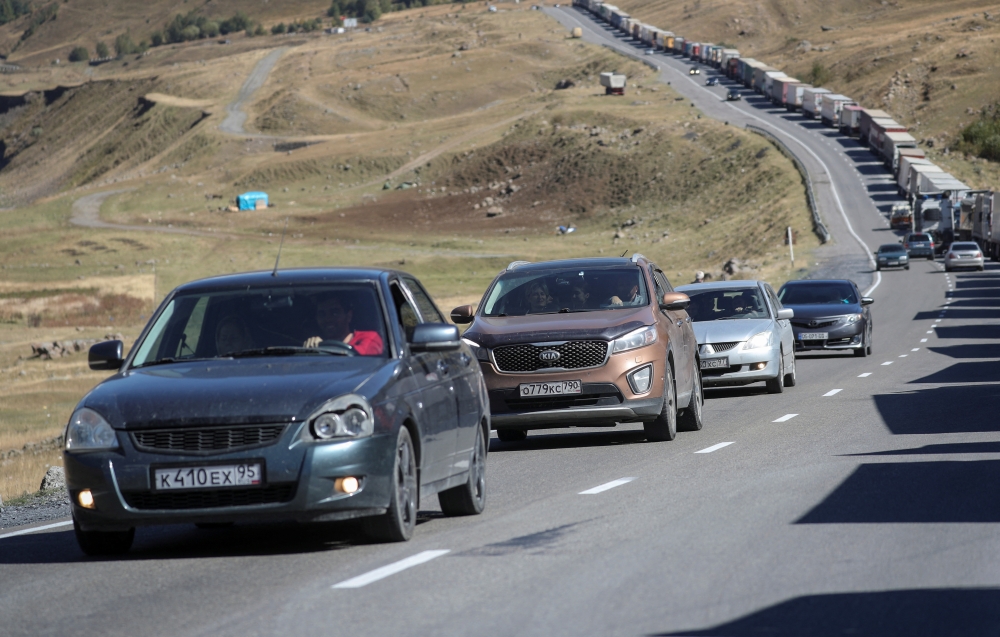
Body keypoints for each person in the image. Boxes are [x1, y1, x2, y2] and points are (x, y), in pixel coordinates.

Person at [303, 294, 384, 356]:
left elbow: (360, 359)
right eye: (322, 314)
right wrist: (311, 349)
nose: (328, 319)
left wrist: (323, 349)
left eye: (335, 313)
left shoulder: (369, 338)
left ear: (349, 316)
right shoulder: (315, 344)